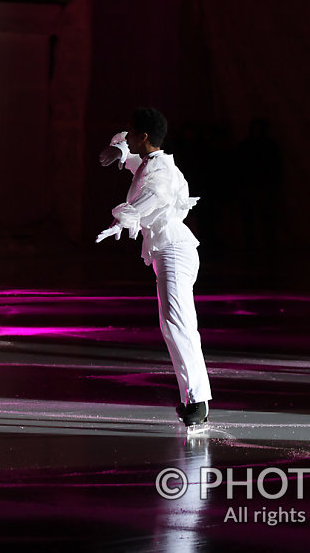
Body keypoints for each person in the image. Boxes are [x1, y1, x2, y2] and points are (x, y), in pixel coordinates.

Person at [97, 107, 212, 429]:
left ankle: (197, 400)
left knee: (177, 325)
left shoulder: (159, 175)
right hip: (171, 249)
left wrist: (123, 218)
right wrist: (119, 149)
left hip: (174, 250)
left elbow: (150, 197)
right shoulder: (154, 162)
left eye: (132, 134)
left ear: (143, 137)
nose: (128, 136)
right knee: (176, 324)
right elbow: (130, 155)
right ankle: (195, 398)